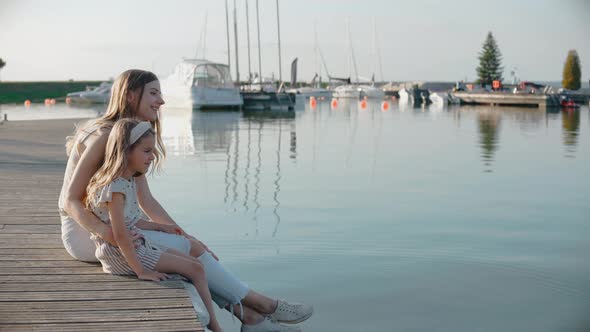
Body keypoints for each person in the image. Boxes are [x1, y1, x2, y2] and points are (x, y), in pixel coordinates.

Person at [59, 69, 312, 332]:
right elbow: (69, 201)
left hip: (115, 228)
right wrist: (109, 234)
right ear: (131, 95)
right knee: (186, 248)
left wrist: (185, 234)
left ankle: (251, 316)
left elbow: (147, 201)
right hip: (85, 234)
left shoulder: (129, 136)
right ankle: (262, 305)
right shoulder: (105, 136)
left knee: (187, 245)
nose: (161, 101)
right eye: (153, 93)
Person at [86, 119, 223, 331]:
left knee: (191, 262)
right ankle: (215, 326)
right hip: (120, 254)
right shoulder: (116, 188)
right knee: (195, 268)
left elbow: (131, 220)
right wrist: (141, 271)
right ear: (126, 151)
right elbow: (120, 235)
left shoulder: (128, 180)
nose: (152, 157)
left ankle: (213, 322)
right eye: (147, 151)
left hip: (136, 245)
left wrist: (160, 227)